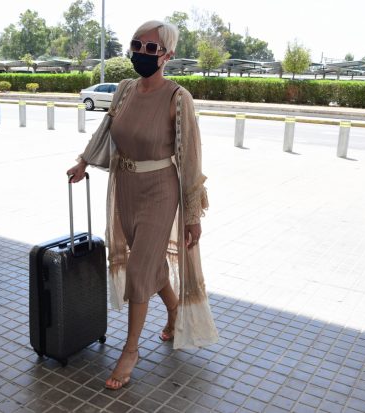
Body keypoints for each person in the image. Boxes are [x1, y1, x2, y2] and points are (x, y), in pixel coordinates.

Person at [67, 20, 218, 391]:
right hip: (126, 188)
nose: (141, 54)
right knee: (149, 265)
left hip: (161, 191)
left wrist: (193, 216)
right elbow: (107, 128)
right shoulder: (124, 90)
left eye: (151, 49)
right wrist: (84, 161)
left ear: (168, 55)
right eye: (137, 45)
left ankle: (130, 351)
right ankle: (172, 310)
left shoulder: (177, 98)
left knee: (138, 272)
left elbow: (190, 158)